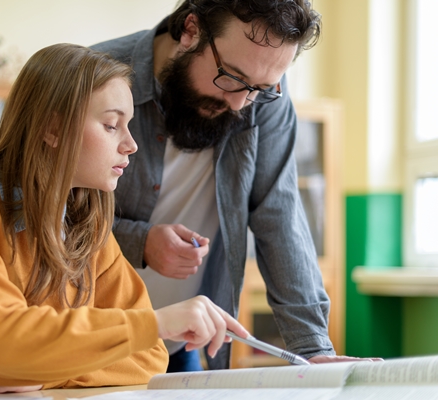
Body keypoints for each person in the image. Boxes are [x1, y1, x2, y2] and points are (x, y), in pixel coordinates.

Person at [0, 43, 248, 393]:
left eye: (129, 124)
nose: (131, 144)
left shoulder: (88, 223)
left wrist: (43, 370)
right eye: (111, 124)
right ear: (52, 129)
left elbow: (149, 358)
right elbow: (2, 342)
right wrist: (158, 324)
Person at [92, 0, 360, 372]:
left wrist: (312, 348)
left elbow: (279, 216)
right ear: (190, 30)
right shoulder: (94, 76)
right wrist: (140, 242)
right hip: (86, 340)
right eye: (231, 77)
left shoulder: (261, 97)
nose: (239, 103)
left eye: (261, 88)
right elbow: (35, 215)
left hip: (177, 345)